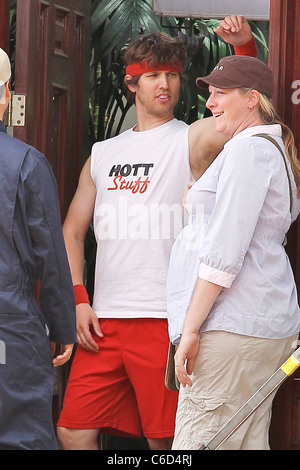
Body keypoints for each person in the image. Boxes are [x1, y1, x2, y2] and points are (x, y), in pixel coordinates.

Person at [57, 17, 257, 450]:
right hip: (104, 320)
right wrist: (78, 298)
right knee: (72, 430)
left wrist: (243, 51)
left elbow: (248, 111)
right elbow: (71, 232)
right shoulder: (102, 154)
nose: (164, 84)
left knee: (167, 440)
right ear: (133, 83)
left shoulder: (192, 139)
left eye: (171, 75)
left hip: (164, 320)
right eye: (152, 76)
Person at [167, 55, 300, 450]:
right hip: (258, 324)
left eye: (221, 93)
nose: (210, 102)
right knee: (246, 442)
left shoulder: (247, 152)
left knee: (196, 444)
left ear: (252, 99)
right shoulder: (266, 149)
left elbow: (226, 250)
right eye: (210, 92)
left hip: (234, 324)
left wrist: (190, 330)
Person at [0, 48, 76, 450]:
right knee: (20, 435)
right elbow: (51, 254)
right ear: (5, 95)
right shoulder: (26, 162)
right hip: (9, 325)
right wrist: (62, 326)